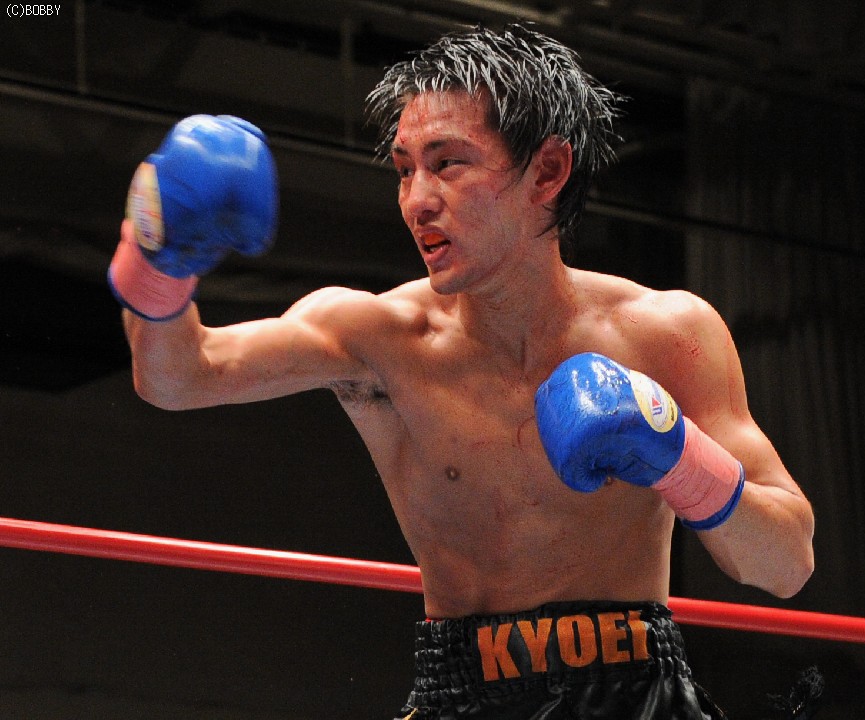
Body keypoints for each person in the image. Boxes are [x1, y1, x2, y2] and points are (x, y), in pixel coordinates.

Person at [108, 23, 815, 720]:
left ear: (547, 171)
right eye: (403, 169)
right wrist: (156, 252)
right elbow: (180, 377)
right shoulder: (377, 337)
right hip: (462, 694)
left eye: (448, 163)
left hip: (639, 695)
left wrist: (676, 455)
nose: (417, 199)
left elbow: (786, 563)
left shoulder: (669, 334)